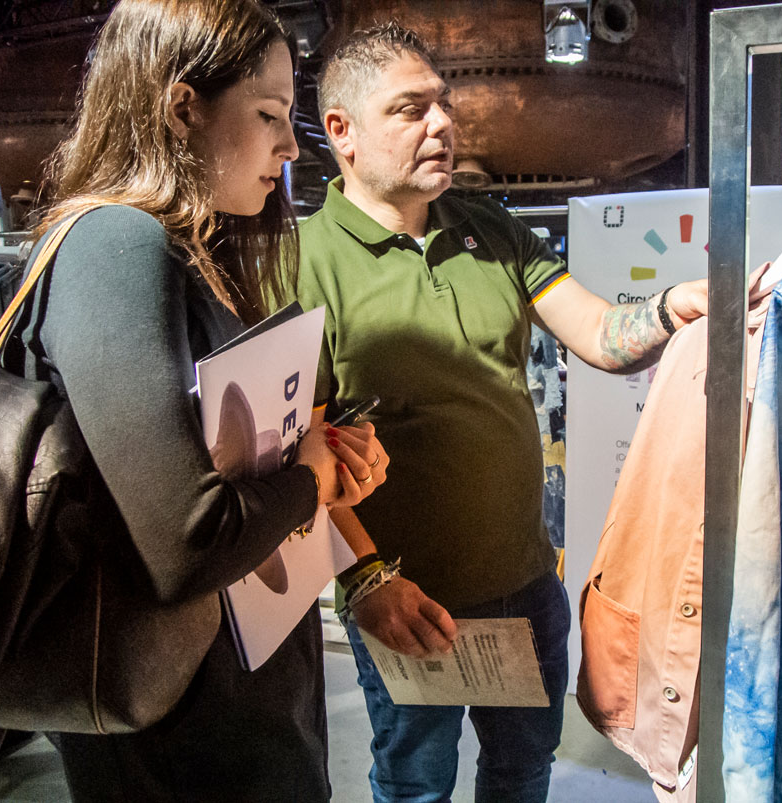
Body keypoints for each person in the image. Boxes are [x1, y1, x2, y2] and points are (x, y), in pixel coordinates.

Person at [294, 21, 709, 803]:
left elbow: (599, 333)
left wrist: (668, 308)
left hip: (524, 586)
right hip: (406, 598)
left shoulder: (490, 229)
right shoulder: (304, 263)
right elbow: (300, 454)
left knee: (522, 772)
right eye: (410, 109)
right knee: (415, 785)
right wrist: (368, 579)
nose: (442, 124)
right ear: (342, 130)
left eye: (443, 104)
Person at [11, 1, 390, 800]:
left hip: (247, 715)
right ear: (182, 108)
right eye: (269, 115)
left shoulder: (193, 252)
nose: (291, 147)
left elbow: (208, 461)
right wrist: (310, 479)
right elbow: (185, 542)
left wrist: (317, 458)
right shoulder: (114, 243)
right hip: (181, 748)